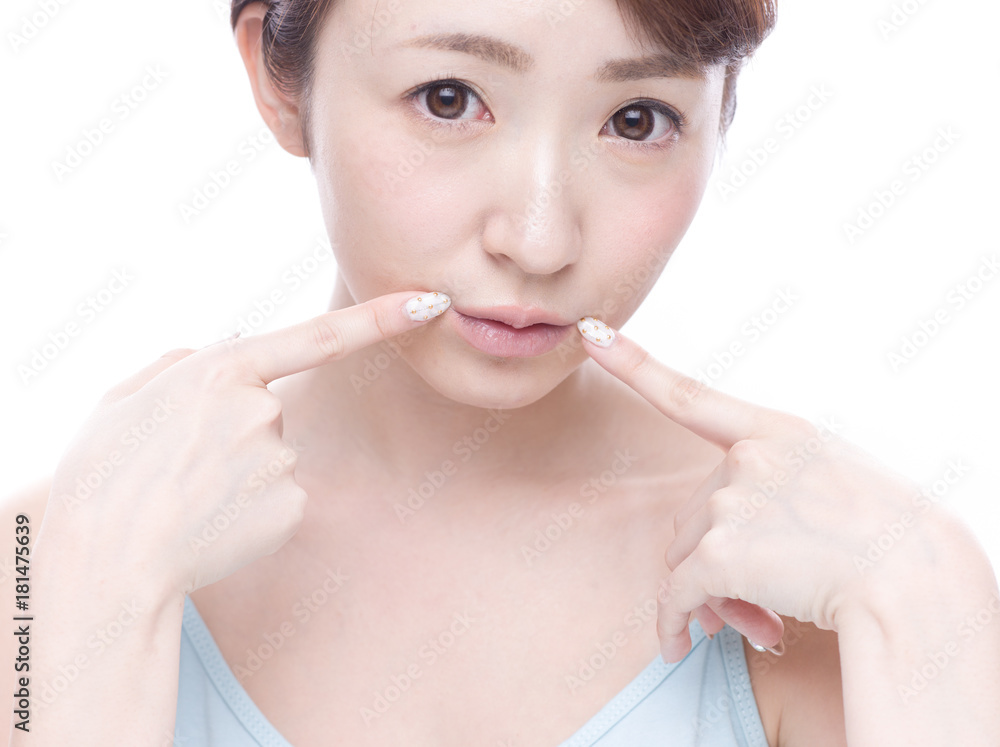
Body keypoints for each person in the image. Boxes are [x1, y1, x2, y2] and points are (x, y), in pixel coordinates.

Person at [4, 0, 999, 744]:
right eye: (449, 99)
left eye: (638, 119)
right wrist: (93, 608)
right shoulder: (53, 555)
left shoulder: (798, 591)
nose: (538, 238)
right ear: (278, 78)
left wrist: (933, 595)